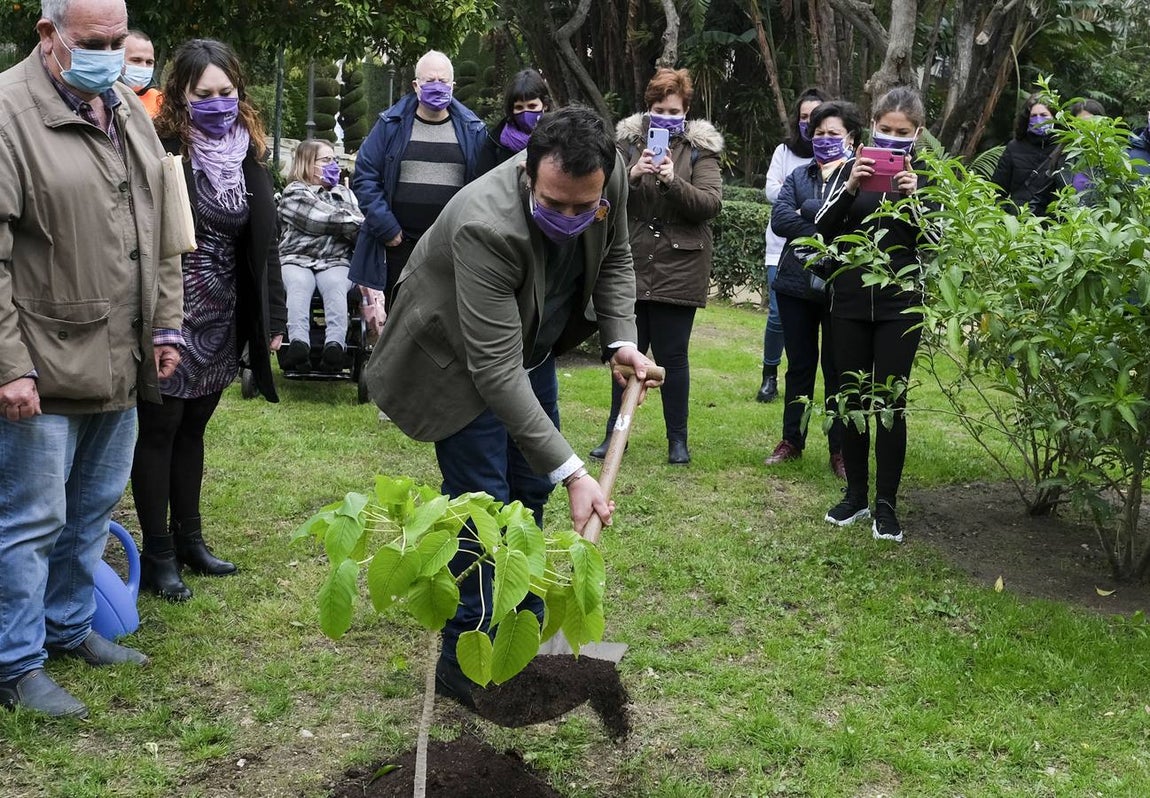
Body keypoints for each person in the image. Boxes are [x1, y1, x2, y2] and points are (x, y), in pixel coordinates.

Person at [361, 106, 658, 707]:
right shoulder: (486, 225)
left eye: (583, 207)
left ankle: (514, 635)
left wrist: (621, 340)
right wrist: (578, 471)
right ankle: (461, 661)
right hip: (454, 359)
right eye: (554, 204)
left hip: (527, 343)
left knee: (529, 490)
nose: (570, 217)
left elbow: (618, 256)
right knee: (485, 508)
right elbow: (492, 370)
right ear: (528, 175)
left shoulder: (610, 175)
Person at [0, 0, 184, 718]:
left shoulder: (125, 107)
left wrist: (164, 325)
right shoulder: (10, 115)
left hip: (120, 358)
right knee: (28, 517)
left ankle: (68, 626)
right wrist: (8, 365)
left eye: (119, 40)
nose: (111, 54)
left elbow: (160, 222)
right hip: (41, 365)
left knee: (91, 508)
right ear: (49, 36)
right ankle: (15, 665)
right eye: (93, 42)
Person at [130, 38, 286, 603]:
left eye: (227, 92)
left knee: (194, 427)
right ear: (181, 95)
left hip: (224, 312)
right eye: (204, 94)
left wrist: (273, 314)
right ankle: (158, 553)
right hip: (171, 312)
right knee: (161, 429)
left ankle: (191, 540)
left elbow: (264, 244)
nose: (218, 103)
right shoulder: (162, 147)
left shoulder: (251, 152)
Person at [814, 86, 932, 544]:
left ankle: (886, 503)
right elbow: (821, 226)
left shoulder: (925, 175)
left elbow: (936, 241)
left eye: (902, 133)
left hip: (900, 305)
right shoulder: (850, 166)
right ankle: (856, 495)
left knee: (889, 405)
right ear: (873, 125)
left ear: (917, 133)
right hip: (847, 301)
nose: (893, 139)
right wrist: (850, 187)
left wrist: (915, 200)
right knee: (851, 400)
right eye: (885, 130)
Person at [588, 68, 723, 465]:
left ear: (686, 111)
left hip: (679, 267)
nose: (666, 116)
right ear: (648, 108)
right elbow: (601, 195)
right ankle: (617, 435)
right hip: (630, 261)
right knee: (626, 354)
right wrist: (631, 175)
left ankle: (677, 440)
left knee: (673, 357)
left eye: (674, 110)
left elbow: (710, 204)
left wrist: (670, 181)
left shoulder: (701, 149)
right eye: (659, 109)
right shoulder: (626, 144)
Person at [350, 50, 488, 312]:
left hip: (451, 247)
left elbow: (484, 184)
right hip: (401, 245)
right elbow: (365, 175)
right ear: (416, 85)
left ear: (453, 86)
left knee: (447, 320)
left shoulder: (473, 130)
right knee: (400, 323)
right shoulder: (391, 125)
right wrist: (387, 228)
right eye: (429, 80)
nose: (437, 86)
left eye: (443, 81)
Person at [762, 99, 857, 479]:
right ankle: (792, 440)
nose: (825, 139)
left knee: (837, 369)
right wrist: (821, 219)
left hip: (839, 286)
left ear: (851, 138)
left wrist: (809, 212)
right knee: (799, 366)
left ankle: (840, 450)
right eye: (819, 133)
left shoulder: (857, 177)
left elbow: (851, 221)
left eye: (833, 133)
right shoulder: (799, 175)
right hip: (794, 284)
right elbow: (781, 218)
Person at [756, 88, 828, 403]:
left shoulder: (834, 155)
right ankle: (769, 373)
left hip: (826, 253)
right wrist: (804, 202)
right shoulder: (784, 152)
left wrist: (802, 204)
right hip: (782, 250)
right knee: (777, 316)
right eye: (804, 117)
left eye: (815, 117)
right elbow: (773, 192)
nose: (809, 123)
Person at [277, 140, 365, 371]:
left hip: (335, 260)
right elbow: (316, 220)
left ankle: (335, 346)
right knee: (299, 284)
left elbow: (357, 232)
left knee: (336, 285)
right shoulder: (294, 192)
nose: (333, 164)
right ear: (307, 163)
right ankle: (298, 344)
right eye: (326, 160)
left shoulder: (345, 192)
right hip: (296, 258)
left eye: (334, 160)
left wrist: (348, 223)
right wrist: (348, 220)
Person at [991, 92, 1060, 215]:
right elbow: (996, 190)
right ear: (1027, 118)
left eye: (1044, 115)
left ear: (1054, 117)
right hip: (1018, 220)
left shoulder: (1062, 149)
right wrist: (1006, 216)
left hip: (1051, 224)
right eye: (1034, 116)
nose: (1039, 120)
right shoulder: (1014, 147)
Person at [479, 67, 551, 171]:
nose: (526, 113)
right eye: (519, 107)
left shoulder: (558, 140)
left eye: (532, 106)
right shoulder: (495, 142)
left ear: (545, 105)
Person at [121, 29, 161, 117]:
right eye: (136, 60)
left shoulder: (159, 99)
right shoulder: (103, 98)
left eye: (149, 62)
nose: (143, 67)